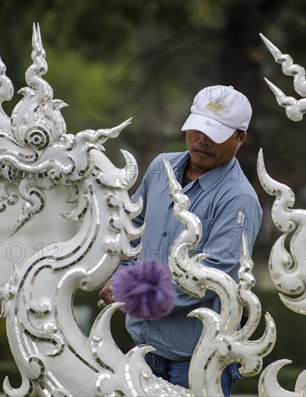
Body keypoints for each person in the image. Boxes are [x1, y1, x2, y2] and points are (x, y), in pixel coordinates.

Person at [99, 85, 262, 396]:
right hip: (142, 346)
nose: (202, 140)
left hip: (198, 359)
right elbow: (131, 230)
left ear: (240, 137)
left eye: (215, 133)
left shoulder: (239, 199)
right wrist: (121, 273)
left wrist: (131, 292)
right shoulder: (160, 168)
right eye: (198, 128)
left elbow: (214, 278)